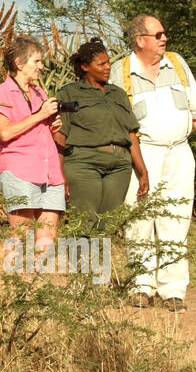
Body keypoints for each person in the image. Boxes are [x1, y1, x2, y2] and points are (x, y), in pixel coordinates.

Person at [109, 15, 196, 312]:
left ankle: (173, 290)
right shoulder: (121, 72)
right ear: (140, 40)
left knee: (177, 217)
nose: (164, 39)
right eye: (158, 35)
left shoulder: (177, 64)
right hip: (141, 154)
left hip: (179, 153)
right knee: (139, 219)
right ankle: (141, 286)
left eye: (164, 34)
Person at [54, 38, 149, 241]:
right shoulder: (69, 93)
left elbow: (131, 134)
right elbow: (60, 136)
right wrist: (59, 175)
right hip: (84, 164)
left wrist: (142, 171)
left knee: (107, 224)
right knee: (83, 223)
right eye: (102, 64)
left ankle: (100, 271)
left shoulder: (118, 94)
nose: (108, 67)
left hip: (119, 166)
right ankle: (79, 269)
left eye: (108, 63)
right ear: (85, 67)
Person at [0, 36, 65, 271]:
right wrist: (40, 116)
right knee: (20, 235)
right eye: (37, 61)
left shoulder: (40, 92)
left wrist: (52, 124)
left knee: (46, 238)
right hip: (20, 169)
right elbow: (4, 133)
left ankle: (39, 288)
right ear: (19, 63)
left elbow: (39, 127)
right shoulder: (2, 93)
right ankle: (15, 283)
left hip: (50, 171)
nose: (41, 66)